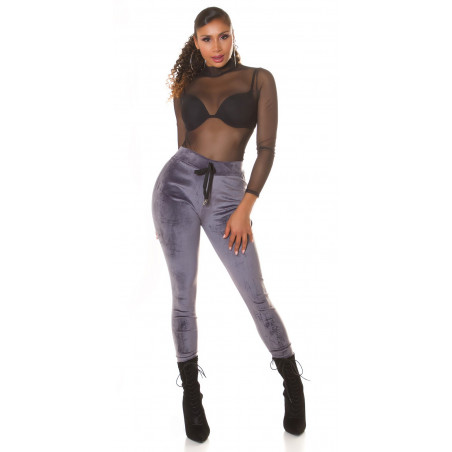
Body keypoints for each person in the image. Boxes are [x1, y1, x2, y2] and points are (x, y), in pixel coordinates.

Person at [151, 6, 309, 443]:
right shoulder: (186, 85)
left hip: (228, 197)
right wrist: (165, 216)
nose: (216, 46)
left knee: (255, 294)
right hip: (175, 190)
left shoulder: (258, 79)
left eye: (223, 36)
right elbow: (182, 146)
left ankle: (292, 384)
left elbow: (267, 149)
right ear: (196, 42)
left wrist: (245, 207)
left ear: (233, 36)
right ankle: (192, 395)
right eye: (207, 38)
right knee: (183, 295)